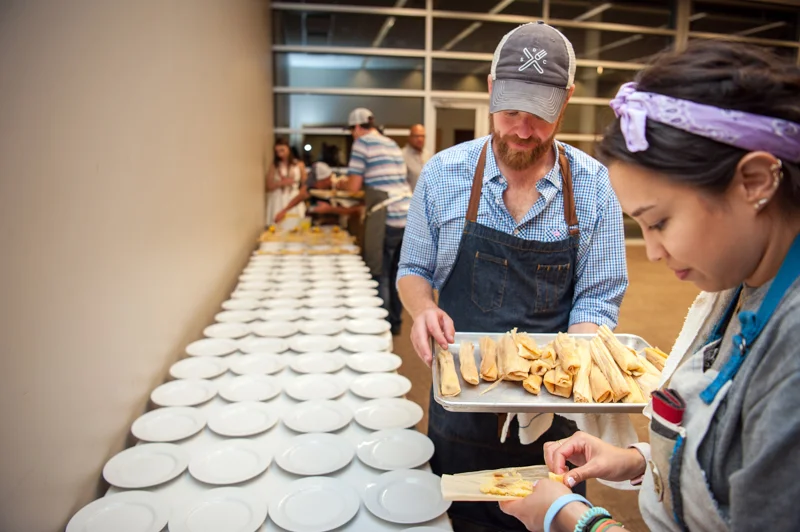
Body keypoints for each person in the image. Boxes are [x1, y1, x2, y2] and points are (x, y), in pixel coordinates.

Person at [498, 41, 800, 532]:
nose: (653, 252)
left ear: (755, 181)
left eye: (659, 222)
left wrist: (573, 519)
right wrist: (640, 458)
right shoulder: (739, 286)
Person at [396, 22, 628, 532]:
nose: (522, 130)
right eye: (510, 112)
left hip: (554, 416)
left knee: (552, 521)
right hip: (460, 405)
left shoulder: (593, 187)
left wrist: (566, 370)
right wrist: (424, 309)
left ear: (566, 101)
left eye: (539, 116)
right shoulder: (443, 174)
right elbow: (413, 270)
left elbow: (597, 298)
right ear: (490, 90)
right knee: (459, 519)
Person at [337, 107, 412, 336]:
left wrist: (340, 183)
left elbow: (353, 187)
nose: (353, 135)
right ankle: (396, 323)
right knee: (398, 274)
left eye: (352, 130)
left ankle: (382, 327)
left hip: (386, 215)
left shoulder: (363, 144)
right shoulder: (391, 143)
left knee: (380, 272)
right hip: (407, 216)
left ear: (357, 127)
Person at [265, 138, 307, 226]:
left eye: (282, 150)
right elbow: (269, 186)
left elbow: (305, 183)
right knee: (278, 225)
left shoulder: (299, 164)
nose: (280, 154)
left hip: (294, 196)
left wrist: (301, 195)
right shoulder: (275, 166)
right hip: (278, 197)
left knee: (295, 223)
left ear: (288, 149)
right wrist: (281, 183)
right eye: (277, 152)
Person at [403, 124, 430, 192]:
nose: (420, 139)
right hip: (410, 197)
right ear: (410, 137)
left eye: (422, 136)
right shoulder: (402, 156)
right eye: (416, 136)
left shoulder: (427, 155)